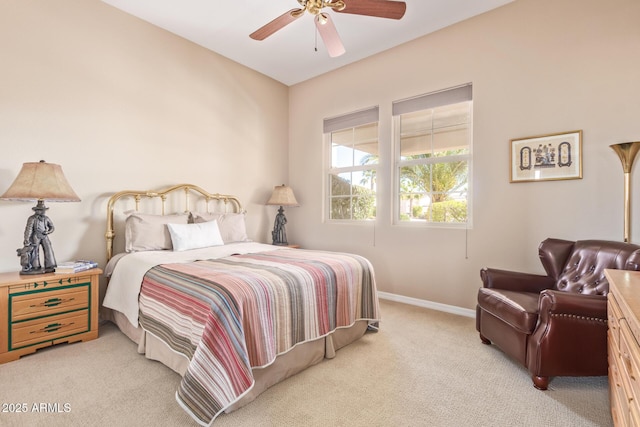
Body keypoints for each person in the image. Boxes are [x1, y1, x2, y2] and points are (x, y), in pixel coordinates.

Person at [21, 201, 56, 273]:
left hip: (44, 236)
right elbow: (29, 229)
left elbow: (52, 227)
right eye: (41, 210)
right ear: (36, 210)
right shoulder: (32, 218)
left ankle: (50, 265)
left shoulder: (46, 218)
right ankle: (35, 266)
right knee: (35, 251)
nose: (43, 212)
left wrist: (48, 232)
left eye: (43, 210)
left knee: (48, 249)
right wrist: (26, 238)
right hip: (35, 236)